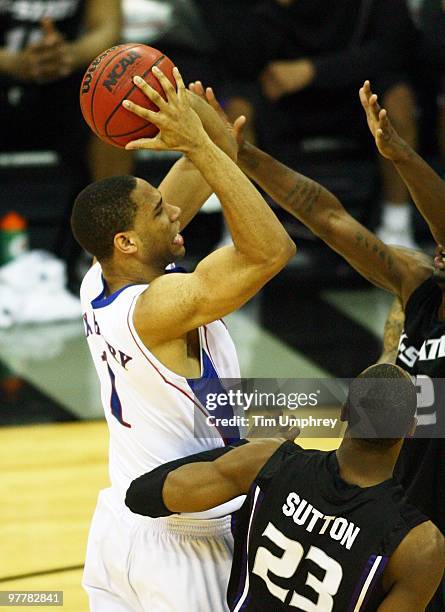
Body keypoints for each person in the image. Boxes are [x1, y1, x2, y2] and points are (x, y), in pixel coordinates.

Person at [191, 78, 445, 609]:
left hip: (430, 543)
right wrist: (243, 156)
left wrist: (401, 156)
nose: (437, 249)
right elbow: (326, 216)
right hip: (382, 524)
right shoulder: (420, 291)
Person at [70, 67, 295, 611]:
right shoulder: (157, 310)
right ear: (126, 240)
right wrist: (204, 144)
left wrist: (195, 123)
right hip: (184, 542)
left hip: (120, 526)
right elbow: (270, 252)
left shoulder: (99, 278)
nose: (173, 211)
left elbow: (198, 170)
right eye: (157, 211)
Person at [126, 363, 445, 610]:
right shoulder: (418, 545)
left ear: (345, 411)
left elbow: (143, 494)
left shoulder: (269, 462)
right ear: (411, 429)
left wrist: (251, 447)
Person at [202, 0, 419, 247]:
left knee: (398, 101)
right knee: (235, 112)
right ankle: (239, 235)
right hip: (274, 91)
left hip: (351, 85)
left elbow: (397, 47)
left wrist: (312, 71)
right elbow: (235, 60)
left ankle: (397, 226)